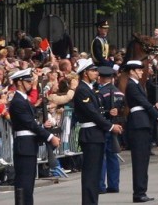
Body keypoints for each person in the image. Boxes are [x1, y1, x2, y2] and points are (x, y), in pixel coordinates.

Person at [73, 58, 124, 204]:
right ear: (84, 73)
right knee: (90, 173)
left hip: (96, 134)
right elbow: (91, 113)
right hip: (90, 134)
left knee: (95, 173)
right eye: (93, 71)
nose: (96, 73)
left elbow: (98, 112)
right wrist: (110, 126)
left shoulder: (90, 88)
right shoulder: (82, 90)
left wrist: (109, 114)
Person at [9, 68, 61, 205]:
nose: (30, 83)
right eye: (27, 81)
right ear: (19, 82)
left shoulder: (23, 100)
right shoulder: (17, 101)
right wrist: (49, 137)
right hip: (24, 146)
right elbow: (29, 124)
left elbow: (31, 125)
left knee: (28, 185)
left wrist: (44, 127)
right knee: (24, 185)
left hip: (29, 144)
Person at [122, 60, 158, 203]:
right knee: (140, 160)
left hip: (143, 122)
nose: (142, 72)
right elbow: (144, 103)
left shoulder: (137, 85)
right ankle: (139, 192)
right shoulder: (132, 86)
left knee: (144, 159)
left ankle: (142, 190)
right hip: (138, 124)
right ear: (132, 71)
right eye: (139, 70)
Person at [96, 66, 122, 195]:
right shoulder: (119, 92)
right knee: (113, 157)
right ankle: (114, 184)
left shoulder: (100, 93)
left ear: (100, 78)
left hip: (104, 126)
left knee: (102, 157)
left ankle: (101, 185)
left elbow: (98, 112)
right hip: (115, 126)